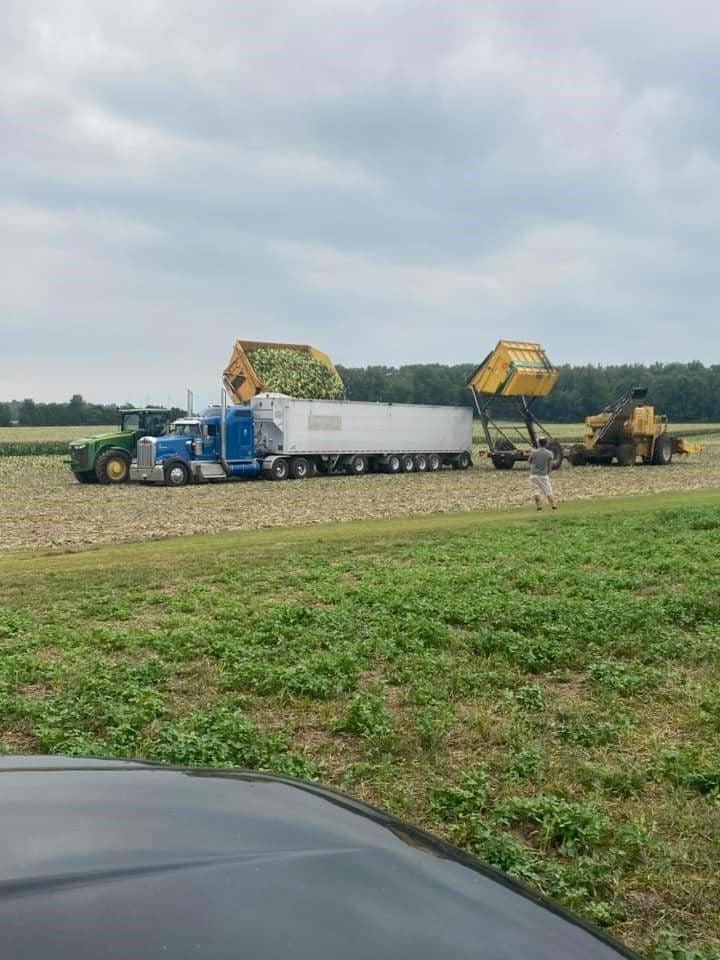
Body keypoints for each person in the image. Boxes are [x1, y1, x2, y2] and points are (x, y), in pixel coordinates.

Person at [528, 438, 557, 511]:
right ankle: (554, 507)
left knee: (536, 491)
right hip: (543, 475)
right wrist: (548, 473)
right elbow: (550, 465)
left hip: (533, 475)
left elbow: (529, 461)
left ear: (538, 443)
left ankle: (539, 508)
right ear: (546, 444)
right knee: (548, 491)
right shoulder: (549, 453)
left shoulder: (534, 452)